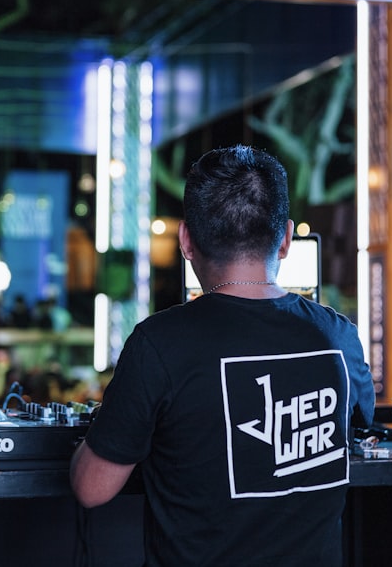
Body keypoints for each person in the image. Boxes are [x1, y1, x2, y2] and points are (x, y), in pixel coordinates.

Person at [70, 145, 375, 566]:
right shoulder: (338, 336)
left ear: (185, 241)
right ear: (286, 239)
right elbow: (361, 423)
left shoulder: (159, 343)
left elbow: (92, 488)